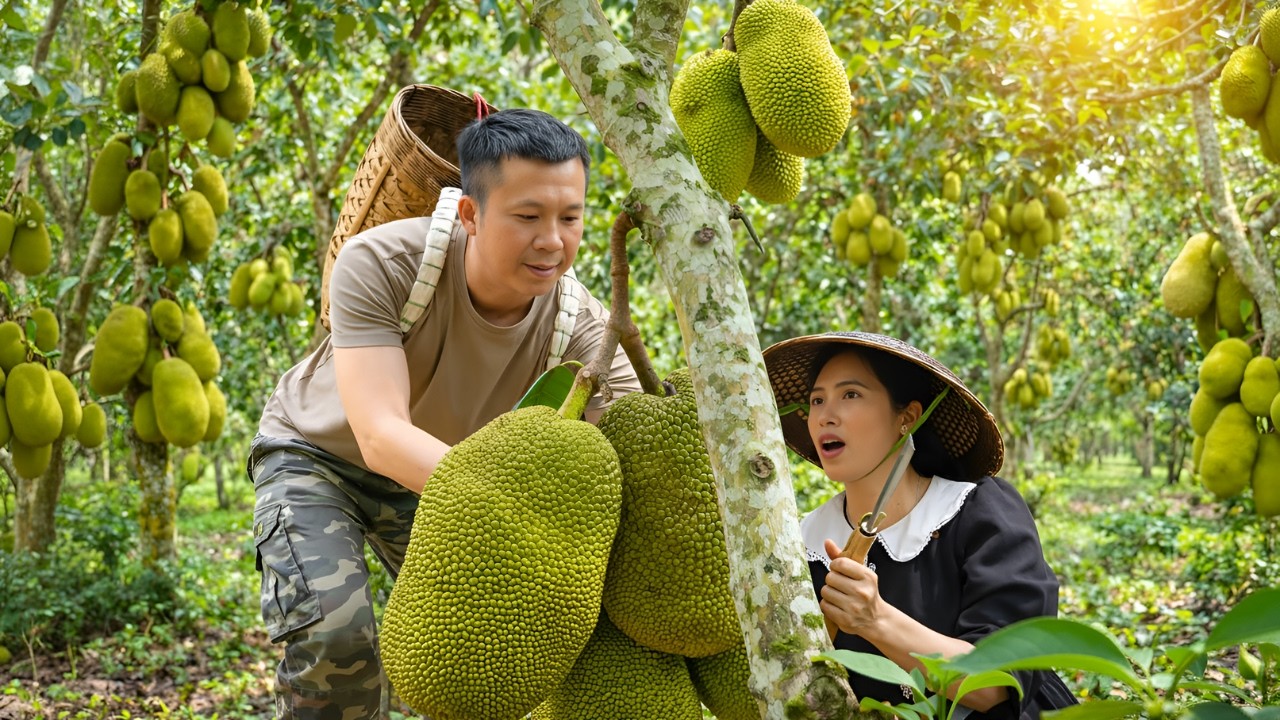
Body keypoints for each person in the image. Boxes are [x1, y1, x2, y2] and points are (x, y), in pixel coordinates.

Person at [247, 108, 641, 719]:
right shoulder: (382, 263)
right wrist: (519, 523)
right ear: (471, 214)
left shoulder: (584, 330)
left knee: (486, 658)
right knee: (336, 638)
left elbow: (636, 448)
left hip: (449, 483)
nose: (553, 241)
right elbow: (379, 436)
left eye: (571, 218)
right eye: (528, 216)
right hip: (322, 461)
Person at [762, 331, 1076, 719]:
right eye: (816, 400)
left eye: (851, 394)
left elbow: (998, 682)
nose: (825, 415)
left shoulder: (979, 513)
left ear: (907, 417)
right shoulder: (799, 544)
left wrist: (875, 619)